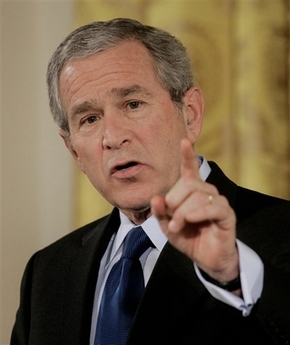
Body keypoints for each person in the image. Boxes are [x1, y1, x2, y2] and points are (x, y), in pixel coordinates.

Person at [11, 18, 290, 345]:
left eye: (133, 104)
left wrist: (233, 272)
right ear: (73, 151)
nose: (113, 137)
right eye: (89, 119)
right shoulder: (48, 272)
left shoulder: (280, 233)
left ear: (190, 114)